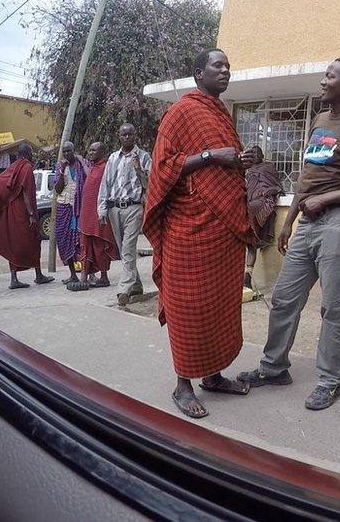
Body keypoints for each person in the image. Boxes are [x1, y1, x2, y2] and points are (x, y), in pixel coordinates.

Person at [236, 58, 340, 411]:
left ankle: (329, 380)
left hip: (339, 222)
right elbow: (308, 178)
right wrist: (289, 222)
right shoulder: (319, 121)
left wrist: (327, 199)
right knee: (285, 298)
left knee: (332, 307)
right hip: (306, 223)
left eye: (329, 76)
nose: (323, 82)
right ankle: (274, 368)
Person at [144, 48, 259, 419]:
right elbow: (162, 168)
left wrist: (242, 159)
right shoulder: (180, 112)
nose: (225, 70)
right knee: (189, 309)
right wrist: (213, 156)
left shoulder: (220, 113)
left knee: (219, 307)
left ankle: (213, 375)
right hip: (188, 231)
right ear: (198, 73)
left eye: (228, 65)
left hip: (223, 232)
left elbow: (226, 168)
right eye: (217, 66)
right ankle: (182, 385)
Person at [97, 122, 150, 308]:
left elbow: (149, 184)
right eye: (123, 134)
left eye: (130, 134)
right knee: (123, 249)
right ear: (119, 136)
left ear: (135, 136)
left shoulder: (143, 156)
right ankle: (136, 285)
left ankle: (124, 289)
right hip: (114, 209)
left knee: (128, 248)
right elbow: (105, 184)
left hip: (134, 208)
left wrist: (138, 168)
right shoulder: (112, 158)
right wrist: (102, 209)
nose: (127, 137)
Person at [0, 144, 54, 289]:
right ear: (28, 153)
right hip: (23, 211)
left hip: (12, 210)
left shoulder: (14, 166)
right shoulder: (27, 167)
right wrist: (31, 214)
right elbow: (26, 192)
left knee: (14, 242)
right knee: (35, 239)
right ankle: (39, 275)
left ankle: (14, 279)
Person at [71, 142, 118, 291]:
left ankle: (103, 277)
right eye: (89, 149)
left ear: (102, 152)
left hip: (99, 215)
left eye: (93, 150)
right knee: (86, 244)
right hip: (87, 215)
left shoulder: (105, 168)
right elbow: (87, 171)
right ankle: (84, 277)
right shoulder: (94, 168)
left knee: (101, 244)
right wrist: (79, 158)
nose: (90, 152)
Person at [241, 146, 283, 290]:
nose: (256, 155)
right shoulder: (247, 171)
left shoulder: (268, 167)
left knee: (251, 214)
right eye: (253, 154)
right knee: (249, 241)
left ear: (262, 155)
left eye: (258, 153)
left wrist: (268, 192)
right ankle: (247, 275)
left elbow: (276, 186)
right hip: (250, 204)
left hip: (263, 202)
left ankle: (247, 275)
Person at [53, 141, 88, 284]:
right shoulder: (60, 166)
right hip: (63, 207)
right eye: (64, 151)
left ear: (74, 150)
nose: (67, 154)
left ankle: (87, 273)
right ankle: (72, 274)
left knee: (80, 241)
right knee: (63, 239)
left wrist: (81, 161)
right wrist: (61, 171)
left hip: (79, 207)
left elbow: (89, 177)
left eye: (69, 151)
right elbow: (58, 189)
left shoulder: (81, 164)